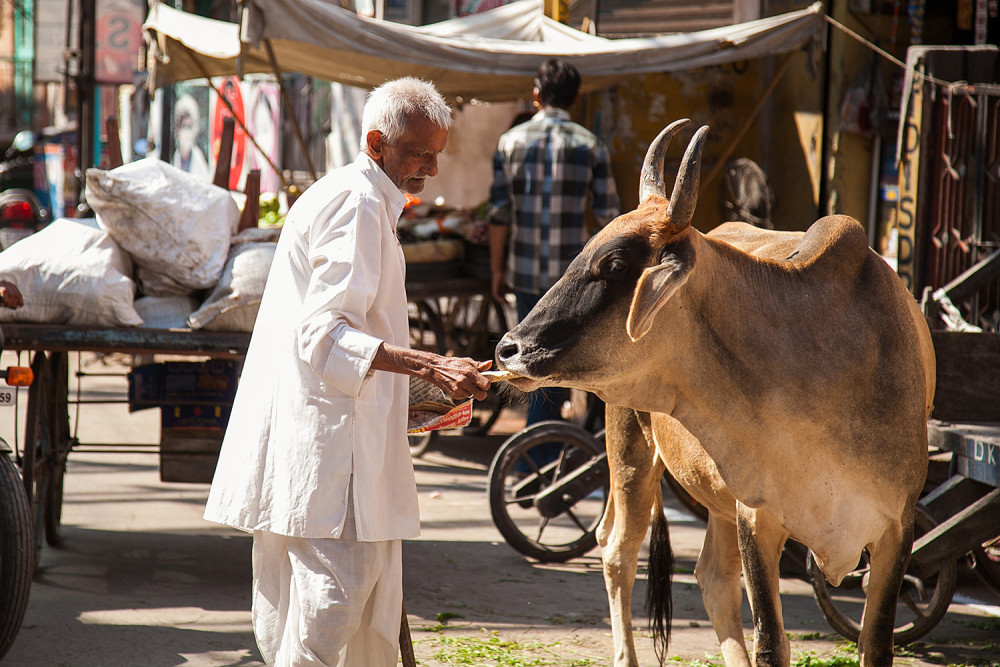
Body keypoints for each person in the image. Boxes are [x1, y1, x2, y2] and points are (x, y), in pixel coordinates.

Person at [203, 77, 490, 667]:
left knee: (343, 609)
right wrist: (431, 364)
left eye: (438, 153)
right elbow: (324, 334)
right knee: (332, 607)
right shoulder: (356, 203)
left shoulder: (367, 199)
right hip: (334, 452)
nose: (433, 169)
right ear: (377, 142)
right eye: (420, 153)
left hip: (340, 439)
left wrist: (418, 383)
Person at [488, 59, 620, 424]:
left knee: (531, 363)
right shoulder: (591, 145)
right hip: (573, 279)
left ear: (536, 96)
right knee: (564, 361)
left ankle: (541, 443)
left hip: (524, 271)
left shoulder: (509, 142)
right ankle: (557, 443)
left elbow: (498, 213)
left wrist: (496, 269)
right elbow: (611, 218)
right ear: (575, 99)